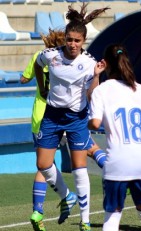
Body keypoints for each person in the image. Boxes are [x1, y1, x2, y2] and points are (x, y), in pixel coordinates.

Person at [20, 29, 107, 231]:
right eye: (70, 39)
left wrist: (96, 76)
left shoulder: (88, 62)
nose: (73, 44)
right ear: (65, 39)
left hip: (75, 117)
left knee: (79, 166)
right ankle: (68, 196)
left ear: (84, 41)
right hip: (51, 115)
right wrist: (42, 87)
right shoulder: (51, 55)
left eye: (77, 41)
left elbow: (92, 93)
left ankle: (85, 221)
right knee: (43, 164)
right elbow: (37, 63)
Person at [88, 44, 141, 231]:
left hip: (118, 160)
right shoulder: (140, 89)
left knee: (113, 215)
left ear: (106, 64)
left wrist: (87, 124)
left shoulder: (102, 90)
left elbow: (95, 123)